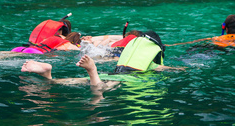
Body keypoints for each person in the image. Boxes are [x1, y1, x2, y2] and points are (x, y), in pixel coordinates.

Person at [20, 30, 184, 90]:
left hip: (114, 71)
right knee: (100, 89)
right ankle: (92, 70)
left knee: (68, 81)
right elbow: (169, 69)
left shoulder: (127, 53)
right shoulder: (154, 64)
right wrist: (183, 69)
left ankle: (48, 75)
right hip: (127, 78)